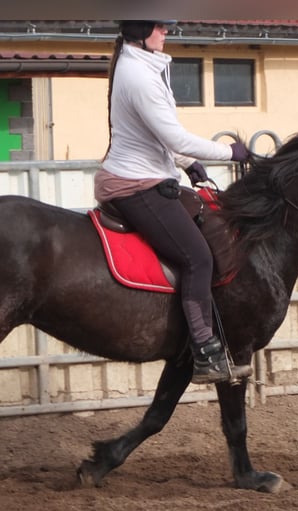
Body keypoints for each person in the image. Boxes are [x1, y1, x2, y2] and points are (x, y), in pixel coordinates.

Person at [94, 19, 253, 384]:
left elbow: (152, 137)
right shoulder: (139, 76)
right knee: (197, 257)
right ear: (140, 30)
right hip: (135, 185)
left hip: (149, 173)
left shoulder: (140, 65)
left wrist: (187, 164)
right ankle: (203, 352)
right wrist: (230, 152)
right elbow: (175, 136)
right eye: (161, 26)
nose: (167, 31)